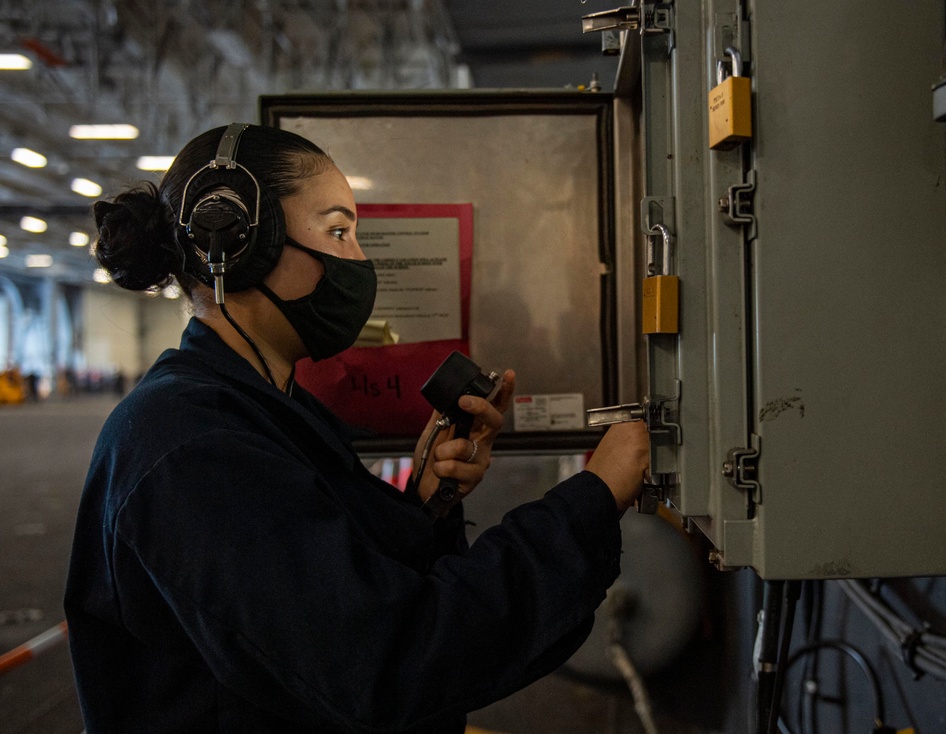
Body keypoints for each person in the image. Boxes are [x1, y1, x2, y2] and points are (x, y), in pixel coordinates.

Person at [64, 123, 650, 733]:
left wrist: (426, 504)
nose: (359, 261)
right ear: (239, 242)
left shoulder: (263, 408)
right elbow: (390, 659)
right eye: (338, 231)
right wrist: (592, 501)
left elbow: (335, 597)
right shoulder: (193, 447)